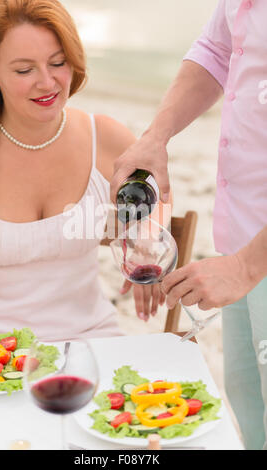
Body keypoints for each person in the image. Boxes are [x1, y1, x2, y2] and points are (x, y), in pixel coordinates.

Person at [110, 0, 267, 450]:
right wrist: (154, 137)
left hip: (252, 259)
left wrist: (247, 267)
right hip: (239, 239)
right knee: (247, 396)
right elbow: (217, 50)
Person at [0, 0, 166, 342]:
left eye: (57, 63)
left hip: (92, 342)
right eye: (24, 70)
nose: (47, 82)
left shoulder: (104, 138)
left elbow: (157, 192)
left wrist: (147, 237)